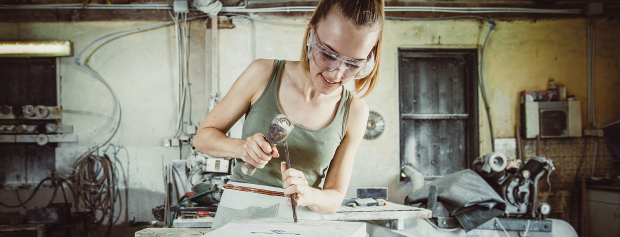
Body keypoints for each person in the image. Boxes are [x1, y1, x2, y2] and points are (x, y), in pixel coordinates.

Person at [193, 0, 384, 227]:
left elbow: (334, 197)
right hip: (238, 211)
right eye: (328, 55)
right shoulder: (263, 73)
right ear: (310, 35)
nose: (336, 74)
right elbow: (202, 138)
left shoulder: (355, 111)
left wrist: (309, 194)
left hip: (299, 221)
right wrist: (241, 148)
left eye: (353, 64)